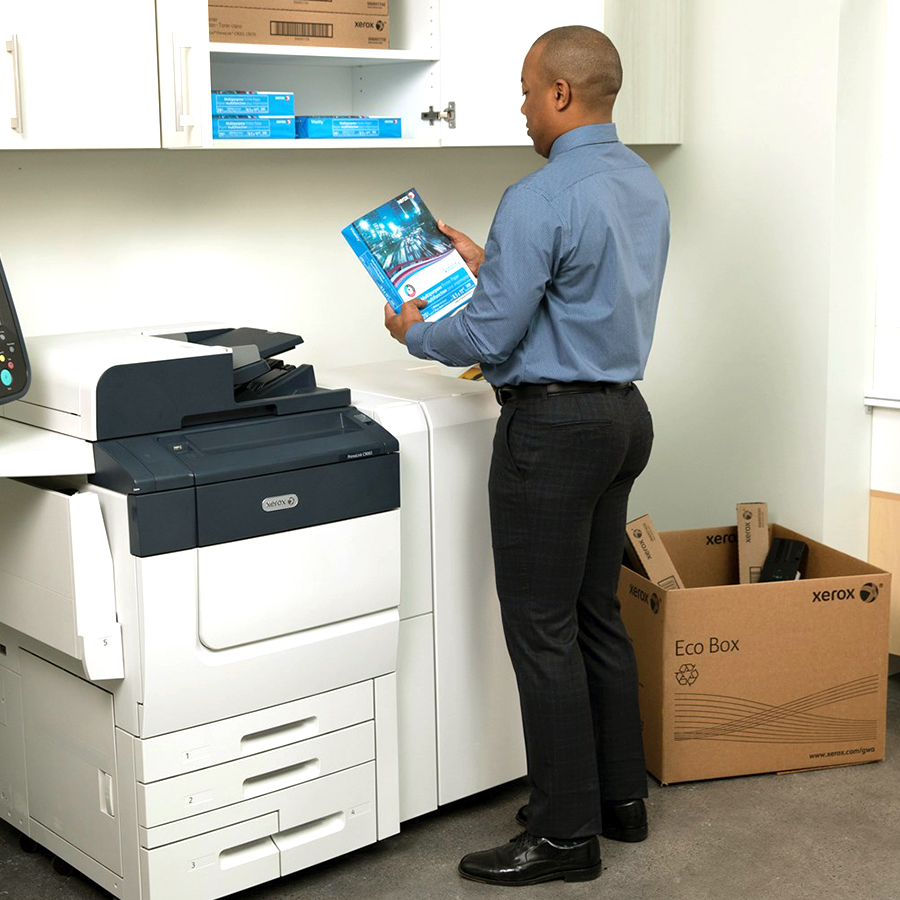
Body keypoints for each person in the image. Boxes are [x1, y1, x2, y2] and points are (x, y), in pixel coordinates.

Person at [384, 25, 670, 887]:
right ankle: (619, 801)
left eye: (524, 90)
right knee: (594, 615)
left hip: (553, 434)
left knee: (541, 632)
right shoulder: (641, 182)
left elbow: (489, 331)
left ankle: (561, 835)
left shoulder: (538, 194)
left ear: (559, 94)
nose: (519, 107)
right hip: (623, 419)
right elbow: (578, 294)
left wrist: (415, 331)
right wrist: (488, 259)